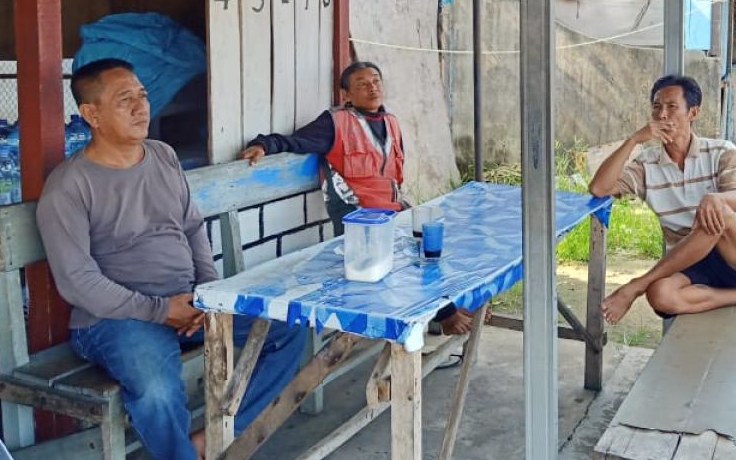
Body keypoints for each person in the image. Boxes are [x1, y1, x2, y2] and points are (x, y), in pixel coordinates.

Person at [37, 59, 307, 460]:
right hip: (115, 319)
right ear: (91, 114)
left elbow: (193, 227)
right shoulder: (69, 186)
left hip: (188, 301)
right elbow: (77, 281)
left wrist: (207, 293)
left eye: (142, 96)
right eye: (124, 99)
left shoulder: (162, 156)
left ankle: (215, 440)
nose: (140, 107)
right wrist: (162, 310)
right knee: (156, 388)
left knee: (289, 328)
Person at [241, 60, 476, 335]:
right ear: (347, 95)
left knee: (436, 236)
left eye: (376, 81)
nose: (372, 87)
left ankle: (442, 308)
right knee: (410, 252)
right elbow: (295, 140)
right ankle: (445, 316)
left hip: (391, 208)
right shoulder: (335, 122)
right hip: (359, 218)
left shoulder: (391, 122)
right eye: (362, 84)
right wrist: (262, 145)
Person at [589, 75, 736, 323]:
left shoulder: (721, 150)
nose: (662, 115)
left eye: (671, 107)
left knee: (717, 210)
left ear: (693, 112)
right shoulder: (646, 165)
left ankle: (637, 286)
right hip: (689, 263)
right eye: (657, 107)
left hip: (735, 254)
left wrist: (715, 198)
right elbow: (598, 189)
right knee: (659, 295)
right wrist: (634, 140)